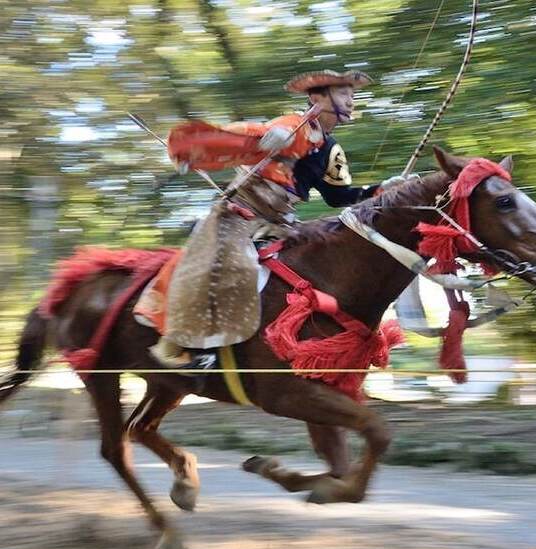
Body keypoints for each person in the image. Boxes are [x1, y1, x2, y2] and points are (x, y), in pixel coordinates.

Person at [136, 70, 383, 369]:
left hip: (282, 223)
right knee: (227, 266)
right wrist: (267, 140)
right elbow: (245, 136)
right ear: (317, 98)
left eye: (352, 95)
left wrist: (384, 189)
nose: (351, 101)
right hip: (240, 215)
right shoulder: (292, 125)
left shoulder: (332, 149)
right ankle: (175, 344)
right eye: (344, 94)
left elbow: (339, 197)